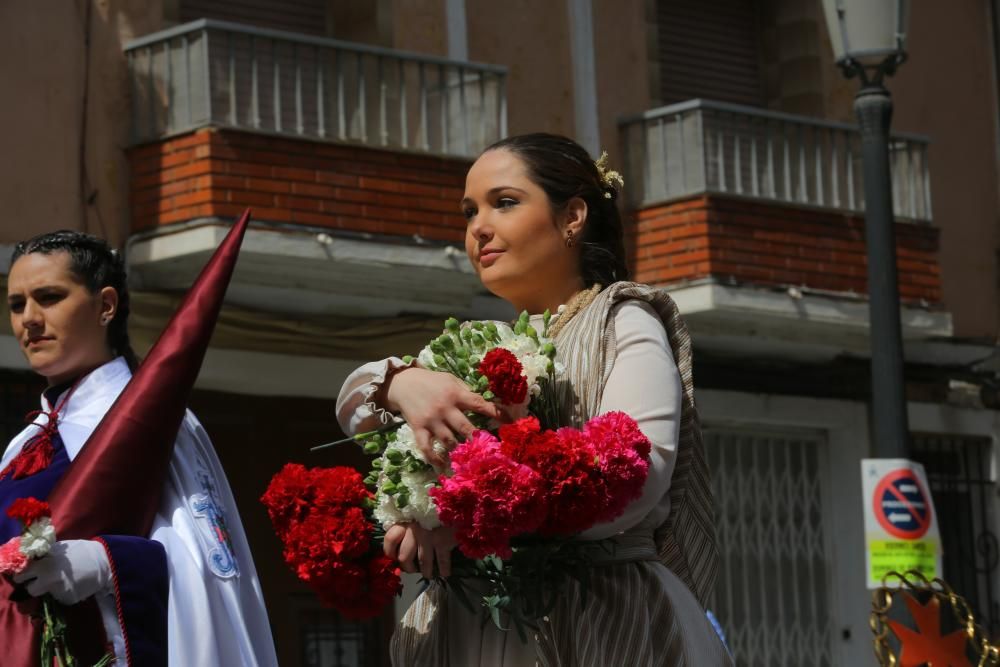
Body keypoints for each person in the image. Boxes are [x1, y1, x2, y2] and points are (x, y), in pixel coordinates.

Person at [337, 133, 732, 665]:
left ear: (572, 216)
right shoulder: (482, 342)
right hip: (476, 623)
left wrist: (468, 526)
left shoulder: (621, 319)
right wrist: (400, 383)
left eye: (504, 202)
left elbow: (637, 477)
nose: (479, 227)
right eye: (469, 210)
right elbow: (352, 407)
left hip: (602, 616)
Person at [1, 231, 277, 666]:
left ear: (105, 305)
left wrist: (105, 562)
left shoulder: (155, 420)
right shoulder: (24, 443)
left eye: (49, 297)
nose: (29, 319)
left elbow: (206, 569)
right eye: (17, 304)